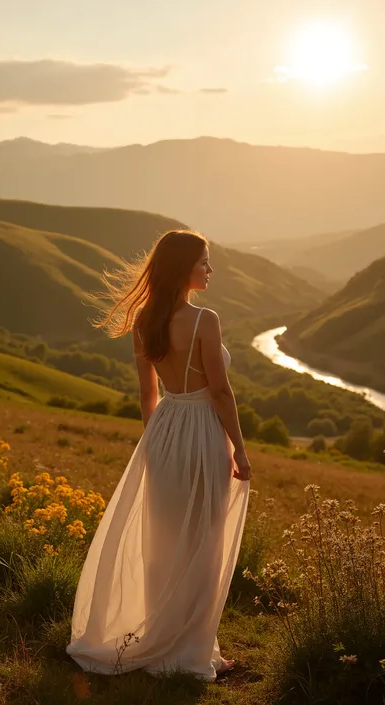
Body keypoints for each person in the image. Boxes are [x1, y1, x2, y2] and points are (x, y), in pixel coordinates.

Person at [66, 229, 251, 682]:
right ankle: (190, 653)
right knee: (204, 544)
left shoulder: (144, 320)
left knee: (162, 541)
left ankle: (161, 639)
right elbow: (222, 392)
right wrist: (241, 450)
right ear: (184, 267)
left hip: (165, 428)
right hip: (204, 430)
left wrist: (156, 443)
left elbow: (147, 394)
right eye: (205, 261)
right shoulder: (205, 319)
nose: (210, 269)